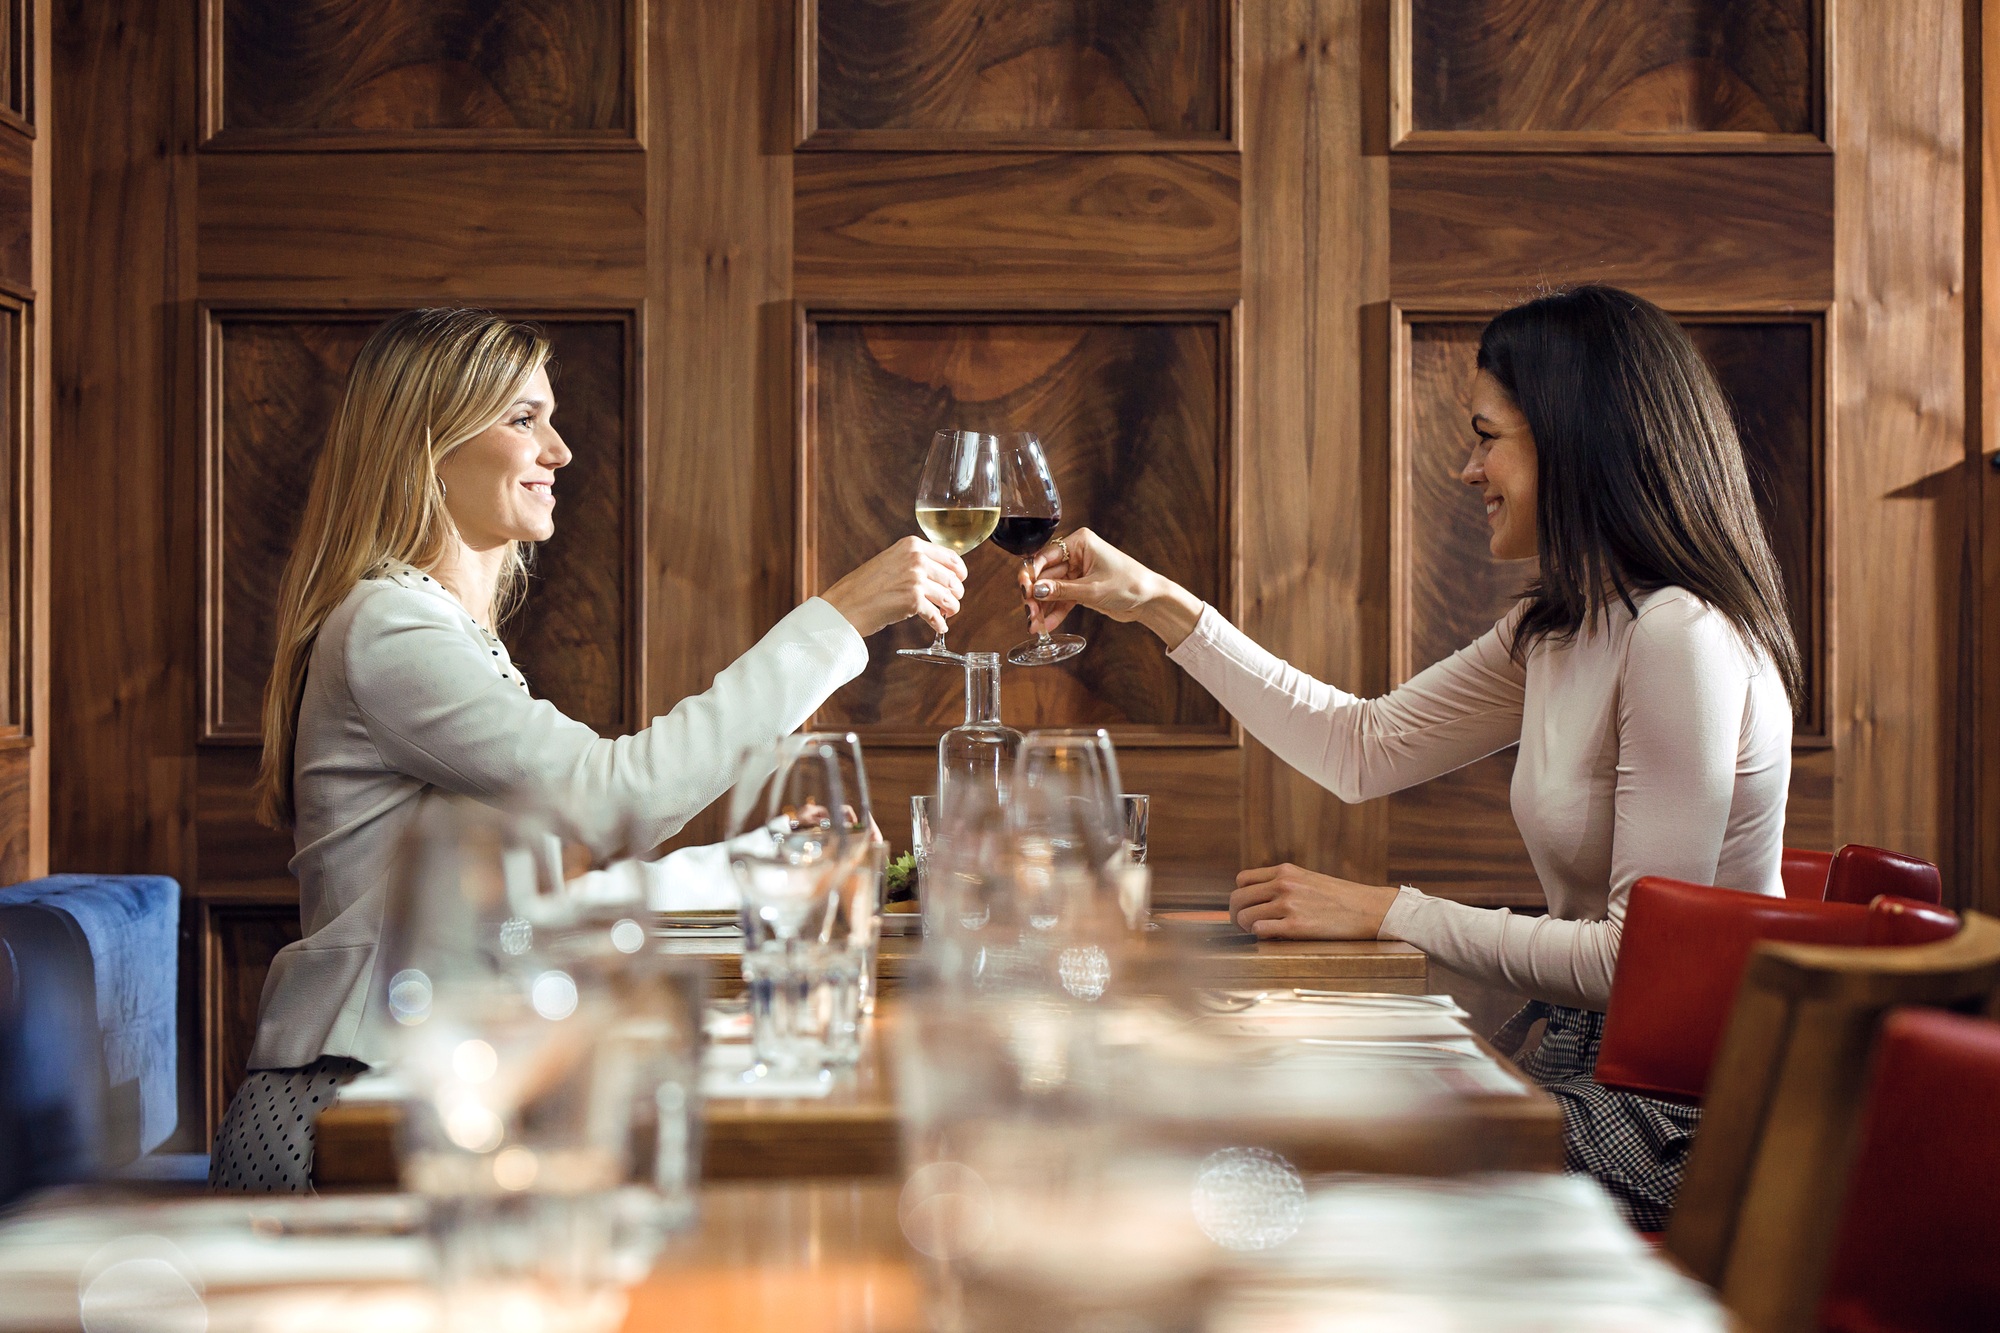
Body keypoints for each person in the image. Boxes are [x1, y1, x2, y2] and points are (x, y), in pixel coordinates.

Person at [1021, 285, 1799, 1228]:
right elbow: (1359, 745)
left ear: (1577, 440)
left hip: (1666, 1120)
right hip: (1571, 1067)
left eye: (1488, 435)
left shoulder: (1680, 636)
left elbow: (1637, 962)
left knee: (1277, 1159)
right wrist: (1151, 601)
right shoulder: (1558, 629)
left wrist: (1391, 910)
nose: (1467, 469)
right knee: (1246, 1107)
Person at [211, 307, 967, 1191]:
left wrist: (768, 867)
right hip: (345, 1115)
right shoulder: (390, 627)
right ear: (429, 448)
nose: (559, 449)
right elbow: (618, 798)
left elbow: (551, 896)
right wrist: (841, 617)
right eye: (523, 419)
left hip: (423, 1094)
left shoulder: (436, 632)